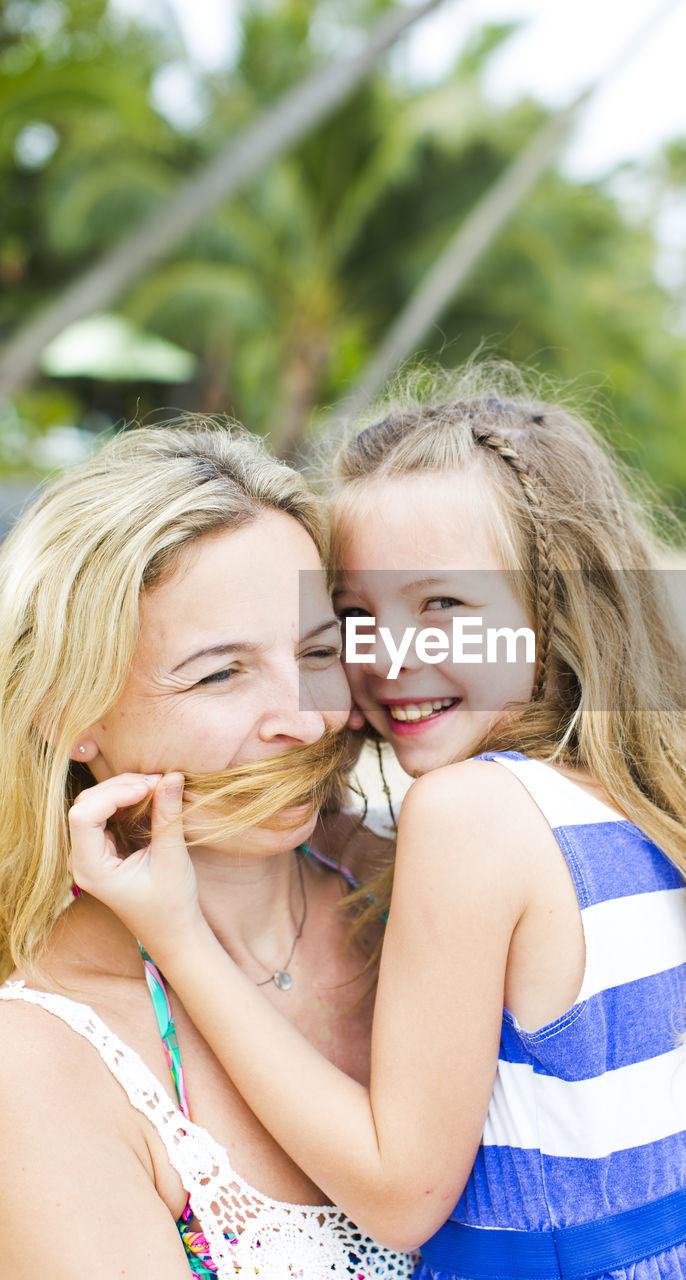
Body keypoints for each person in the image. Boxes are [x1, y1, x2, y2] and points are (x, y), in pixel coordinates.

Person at [71, 371, 686, 1279]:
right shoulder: (644, 802)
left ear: (553, 608)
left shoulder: (468, 814)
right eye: (355, 619)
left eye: (442, 604)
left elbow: (400, 1195)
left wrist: (177, 935)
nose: (393, 656)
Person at [0, 422, 415, 1280]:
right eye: (220, 673)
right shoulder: (38, 1064)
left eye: (316, 652)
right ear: (67, 713)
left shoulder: (428, 889)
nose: (303, 718)